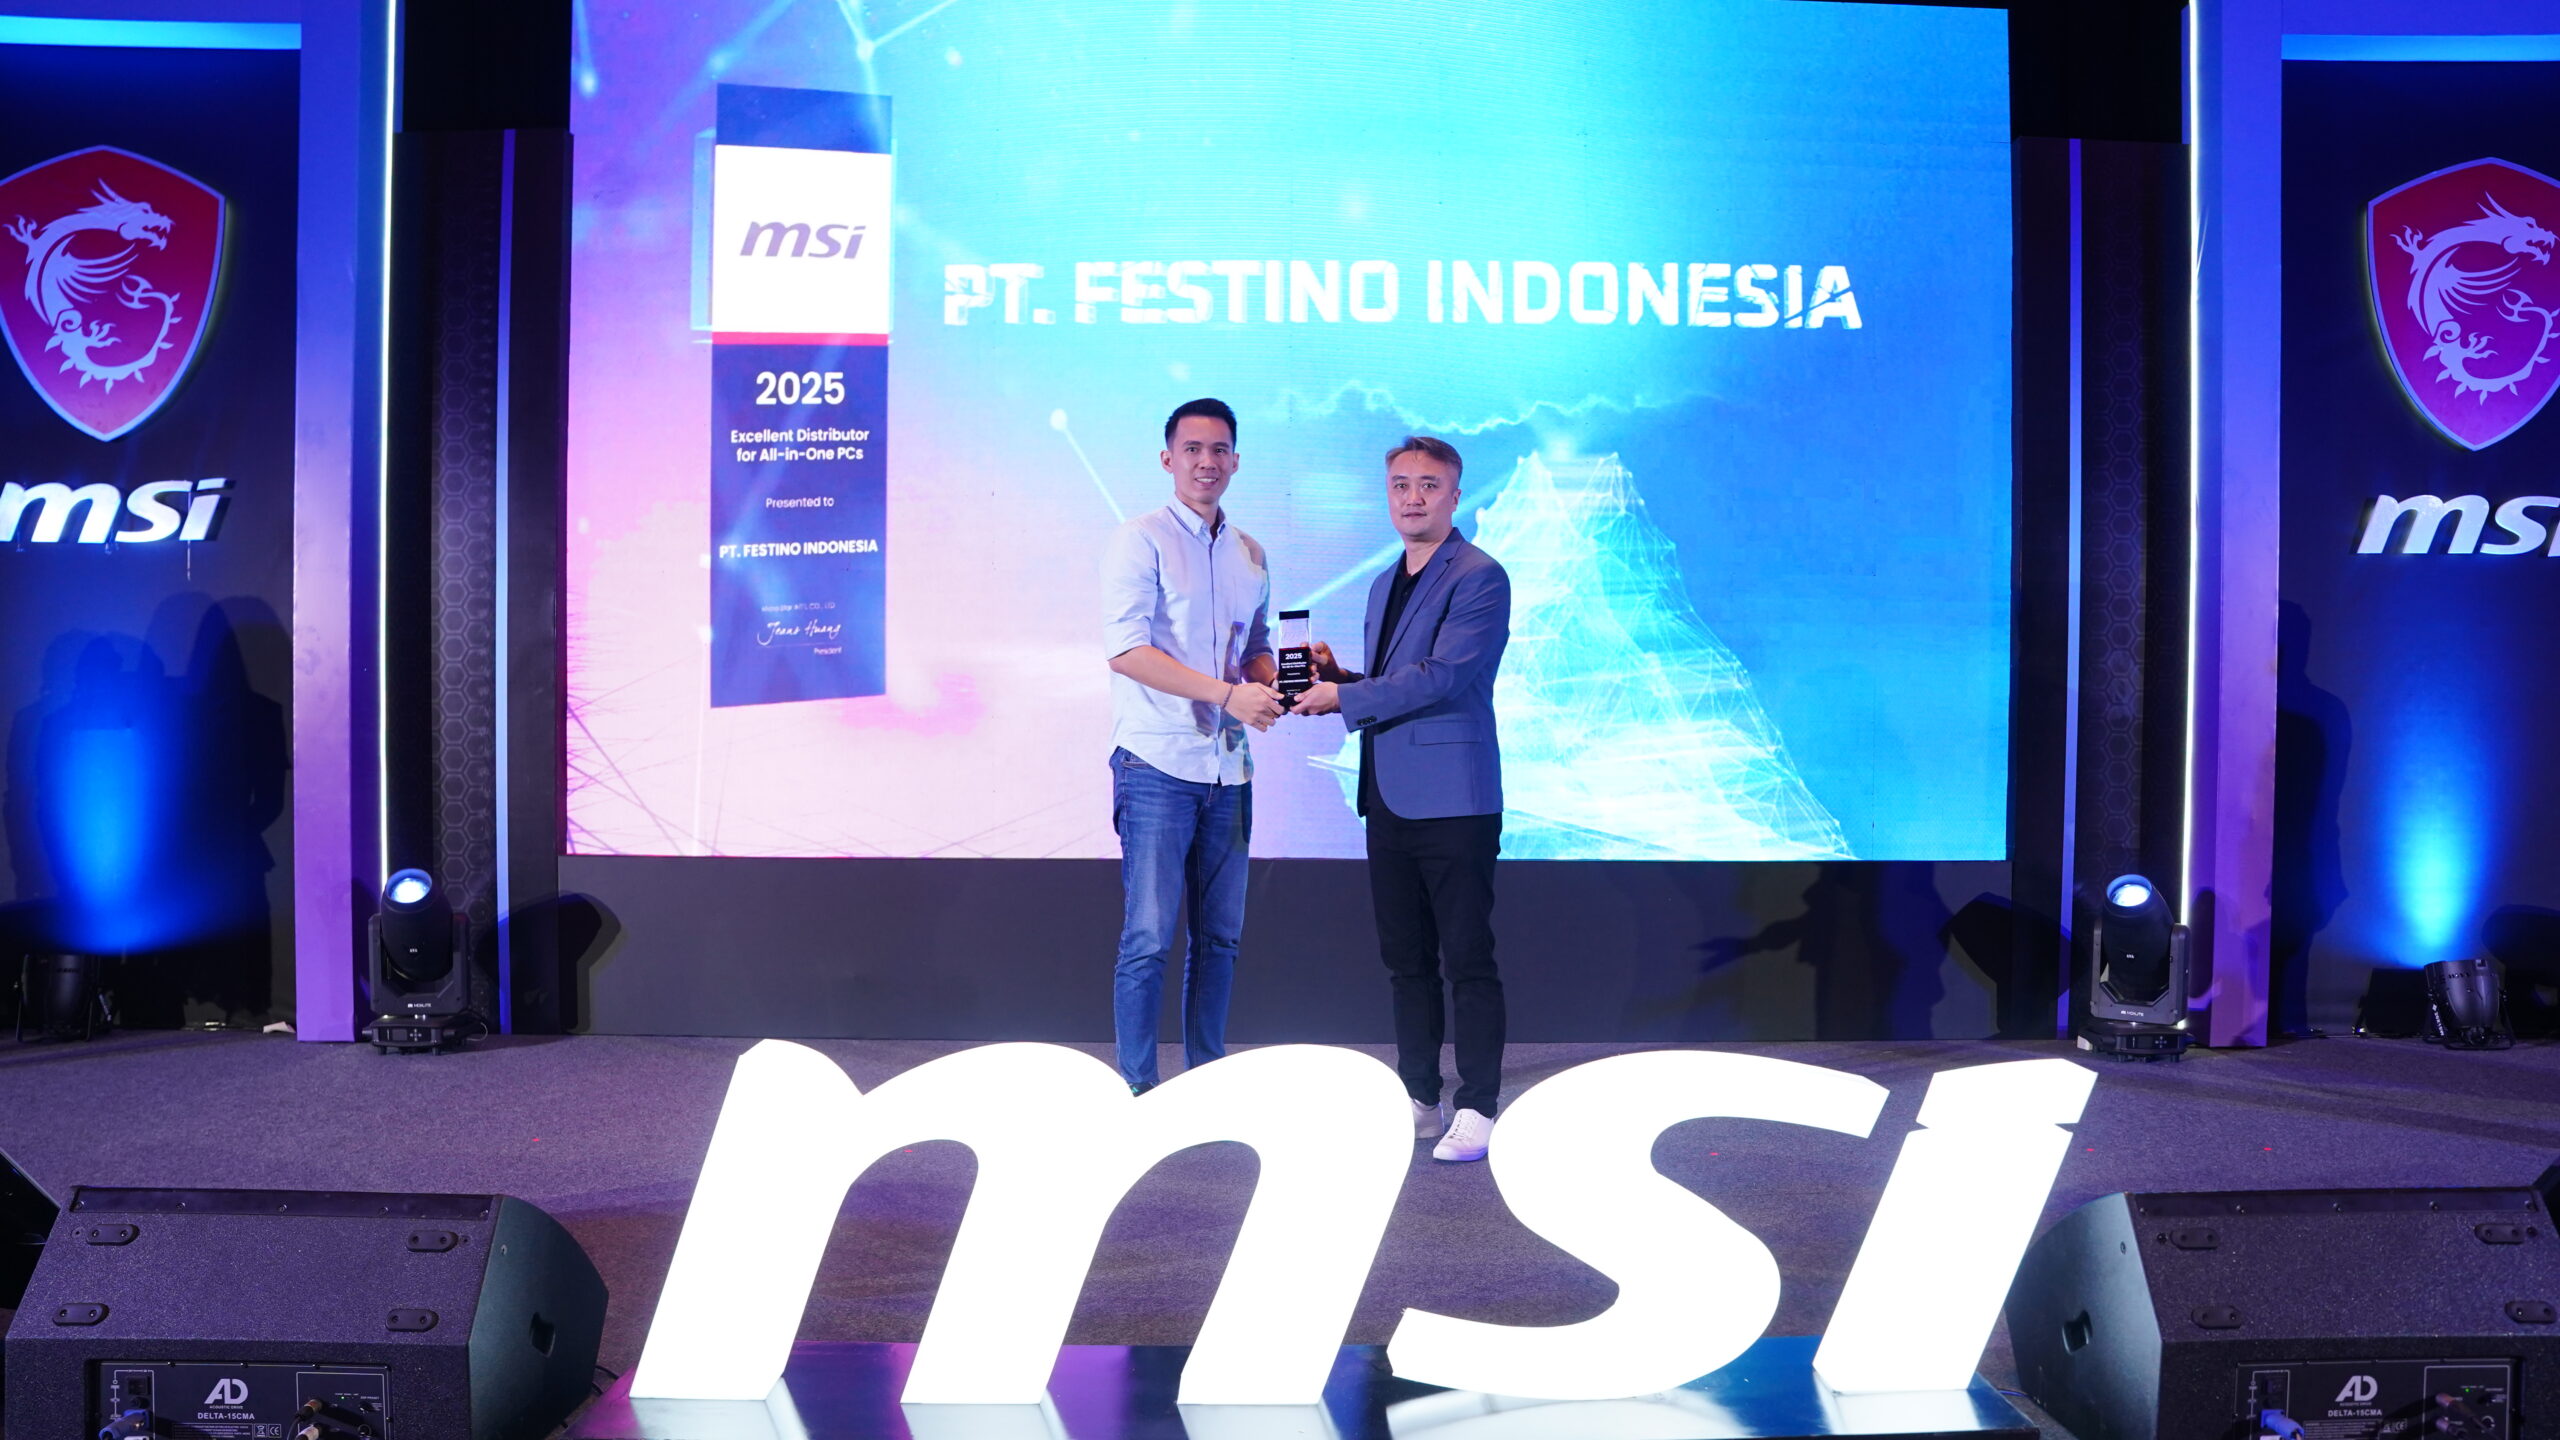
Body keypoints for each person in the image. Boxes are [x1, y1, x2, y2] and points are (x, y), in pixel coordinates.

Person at [1290, 436, 1510, 1161]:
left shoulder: (1480, 575)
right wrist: (1339, 677)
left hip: (1455, 800)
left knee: (1466, 957)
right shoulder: (1387, 581)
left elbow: (1443, 676)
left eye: (1428, 484)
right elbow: (1396, 682)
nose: (1413, 497)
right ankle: (1420, 1095)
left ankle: (1478, 1104)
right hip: (1387, 796)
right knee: (1405, 960)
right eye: (1400, 485)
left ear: (1455, 495)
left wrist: (1344, 697)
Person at [1100, 398, 1284, 1095]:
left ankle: (1205, 1082)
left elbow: (1256, 647)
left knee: (1221, 939)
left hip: (1229, 769)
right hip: (1156, 760)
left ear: (1236, 460)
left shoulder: (1250, 553)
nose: (1207, 461)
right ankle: (1138, 1090)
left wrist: (1280, 677)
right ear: (1168, 458)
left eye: (1220, 450)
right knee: (1148, 938)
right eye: (1193, 449)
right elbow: (1126, 650)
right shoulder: (1139, 539)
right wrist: (1227, 694)